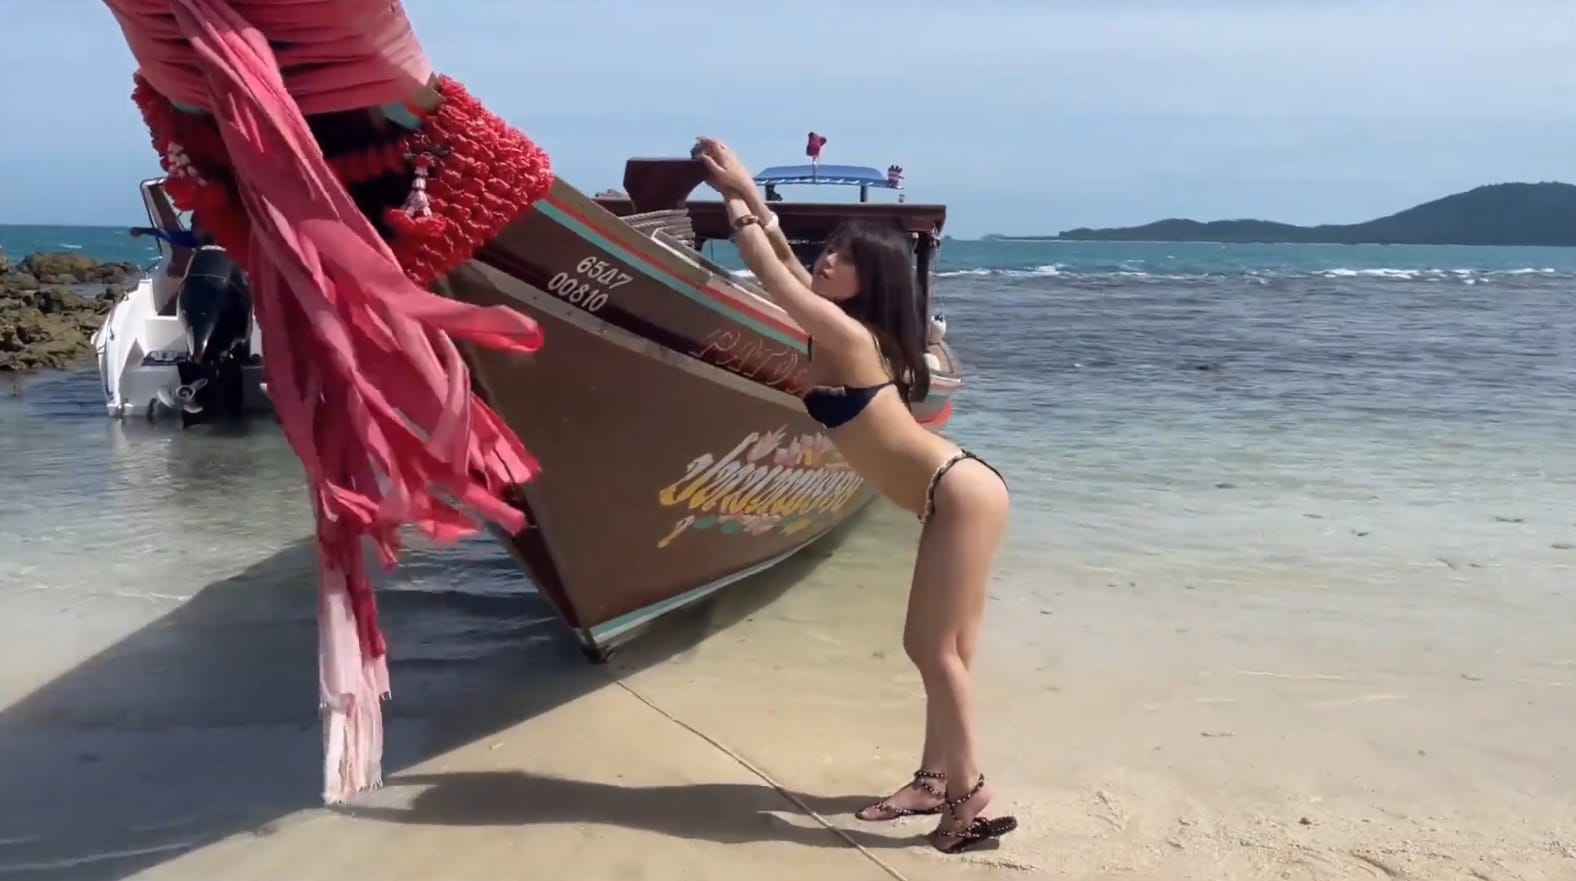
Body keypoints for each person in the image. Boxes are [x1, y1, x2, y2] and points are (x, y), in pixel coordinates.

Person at [693, 136, 1018, 854]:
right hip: (958, 491)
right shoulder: (843, 326)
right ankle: (934, 781)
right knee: (950, 653)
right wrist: (748, 191)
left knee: (928, 648)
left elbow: (767, 269)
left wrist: (734, 197)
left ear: (870, 279)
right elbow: (784, 257)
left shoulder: (844, 335)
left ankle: (968, 797)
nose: (827, 260)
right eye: (831, 248)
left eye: (845, 256)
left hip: (957, 491)